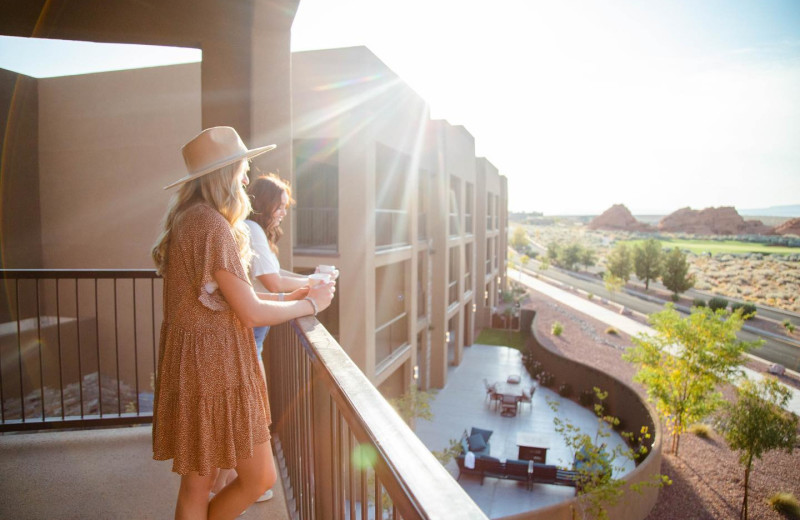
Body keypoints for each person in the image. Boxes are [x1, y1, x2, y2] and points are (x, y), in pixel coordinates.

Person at [151, 126, 335, 520]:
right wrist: (311, 306)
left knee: (222, 482)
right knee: (219, 483)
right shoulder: (211, 225)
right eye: (242, 169)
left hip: (206, 365)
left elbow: (232, 300)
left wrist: (292, 296)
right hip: (212, 368)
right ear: (226, 174)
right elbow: (249, 311)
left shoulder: (192, 218)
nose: (248, 179)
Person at [211, 173, 309, 503]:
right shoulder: (251, 231)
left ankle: (229, 483)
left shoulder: (253, 231)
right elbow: (272, 281)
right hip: (250, 333)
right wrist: (309, 296)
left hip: (255, 333)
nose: (282, 212)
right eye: (279, 206)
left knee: (247, 415)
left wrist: (310, 283)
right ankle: (237, 483)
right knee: (249, 415)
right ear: (264, 204)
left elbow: (275, 280)